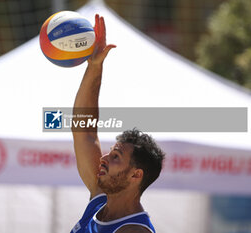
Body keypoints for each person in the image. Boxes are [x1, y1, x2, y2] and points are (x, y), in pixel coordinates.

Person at [71, 14, 165, 233]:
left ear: (135, 175)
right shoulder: (99, 201)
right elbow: (84, 131)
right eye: (112, 153)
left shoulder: (133, 230)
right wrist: (94, 66)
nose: (103, 157)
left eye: (116, 157)